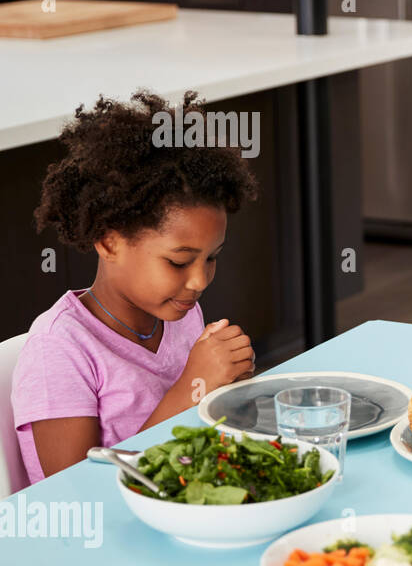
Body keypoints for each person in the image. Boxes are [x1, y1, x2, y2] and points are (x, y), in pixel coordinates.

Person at [12, 90, 259, 482]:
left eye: (211, 258)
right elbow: (77, 494)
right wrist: (191, 390)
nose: (198, 281)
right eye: (178, 262)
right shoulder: (59, 350)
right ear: (110, 242)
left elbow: (191, 445)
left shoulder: (181, 313)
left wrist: (223, 391)